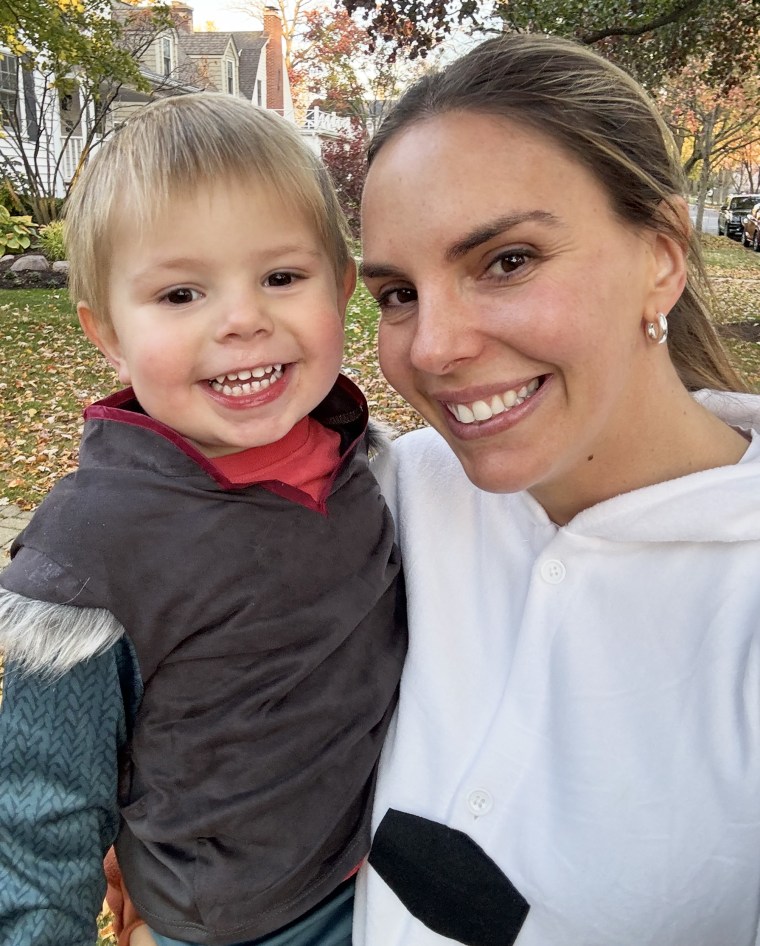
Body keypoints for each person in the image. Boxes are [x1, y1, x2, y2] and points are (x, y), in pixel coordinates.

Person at [353, 33, 760, 946]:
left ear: (661, 256)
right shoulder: (391, 500)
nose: (431, 348)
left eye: (506, 261)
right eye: (395, 294)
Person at [0, 93, 406, 946]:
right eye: (182, 292)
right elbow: (40, 820)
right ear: (107, 332)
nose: (243, 319)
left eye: (282, 277)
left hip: (385, 880)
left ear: (340, 287)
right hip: (223, 926)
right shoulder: (92, 555)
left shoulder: (369, 463)